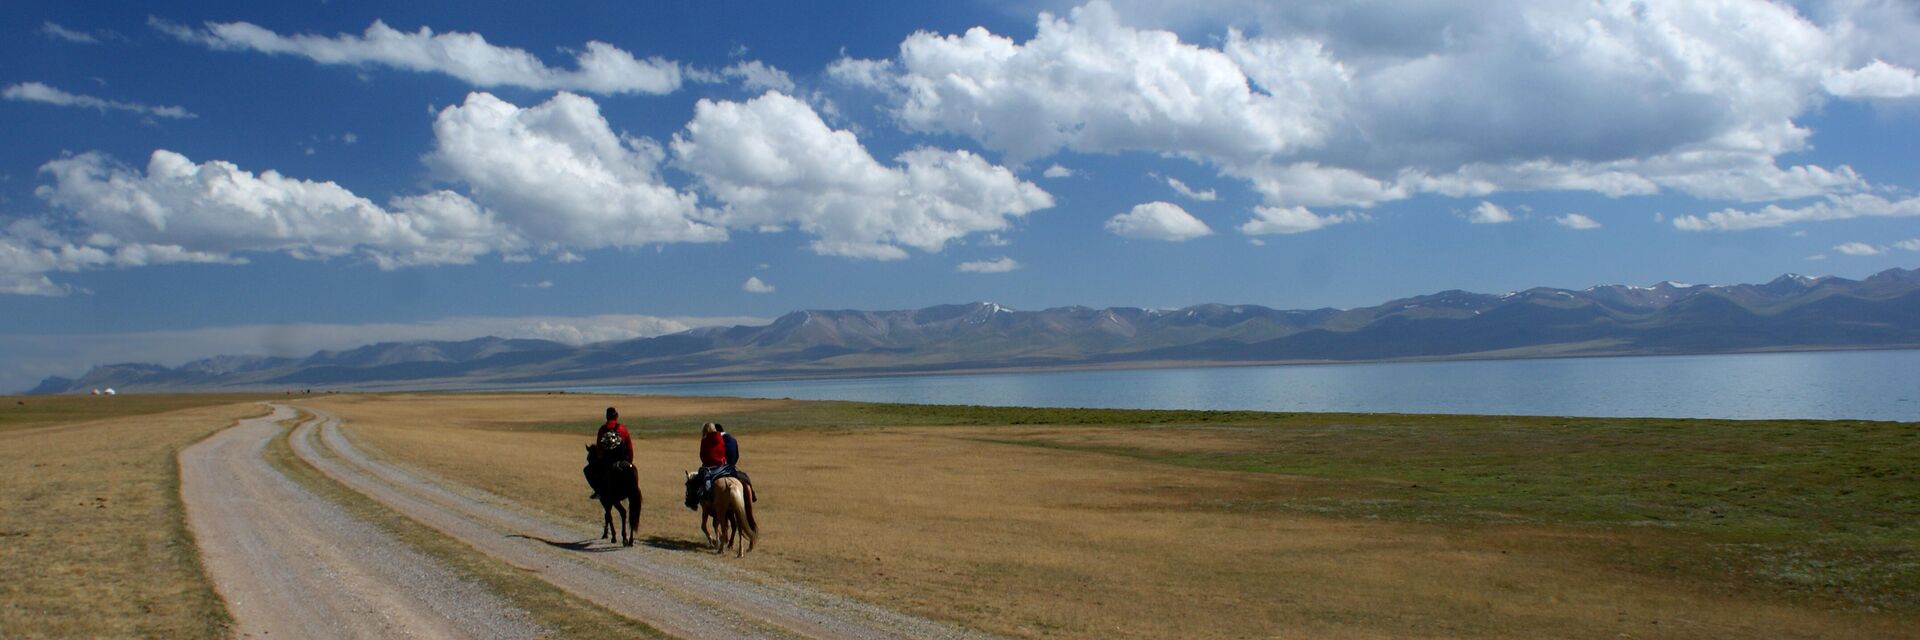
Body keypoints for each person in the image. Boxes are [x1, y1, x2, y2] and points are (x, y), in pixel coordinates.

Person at [585, 407, 632, 500]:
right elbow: (629, 447)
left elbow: (599, 448)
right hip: (622, 459)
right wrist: (630, 462)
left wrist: (600, 458)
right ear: (616, 416)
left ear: (607, 417)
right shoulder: (623, 429)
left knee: (587, 470)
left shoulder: (602, 429)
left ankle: (598, 491)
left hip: (607, 461)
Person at [686, 422, 733, 509]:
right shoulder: (720, 438)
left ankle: (693, 502)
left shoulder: (704, 440)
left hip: (709, 468)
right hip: (722, 467)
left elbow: (702, 456)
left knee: (693, 482)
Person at [715, 423, 755, 502]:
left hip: (720, 470)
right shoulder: (733, 440)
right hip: (732, 469)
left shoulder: (717, 440)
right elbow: (737, 456)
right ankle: (752, 494)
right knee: (745, 478)